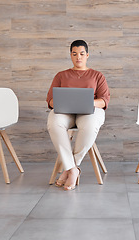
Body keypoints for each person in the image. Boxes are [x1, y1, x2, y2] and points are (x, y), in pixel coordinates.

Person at [46, 40, 110, 191]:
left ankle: (70, 168)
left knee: (90, 124)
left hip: (89, 111)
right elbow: (51, 100)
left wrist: (88, 102)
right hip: (66, 112)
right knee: (53, 122)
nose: (78, 57)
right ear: (70, 56)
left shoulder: (97, 75)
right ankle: (73, 169)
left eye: (81, 54)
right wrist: (63, 102)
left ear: (87, 55)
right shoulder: (61, 75)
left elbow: (104, 101)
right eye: (74, 54)